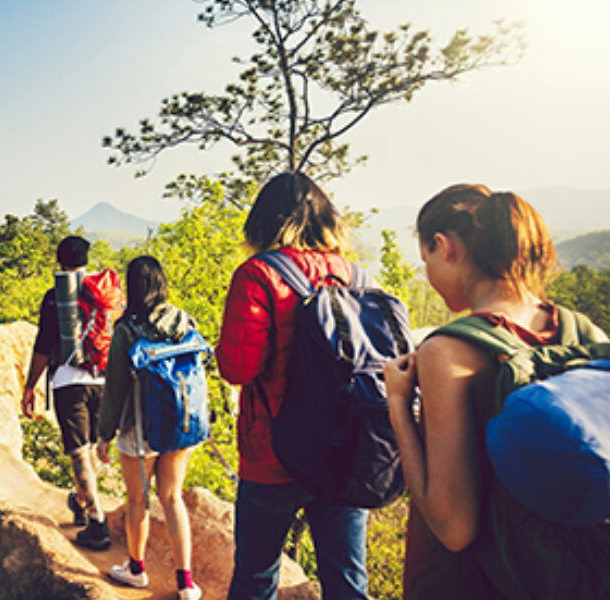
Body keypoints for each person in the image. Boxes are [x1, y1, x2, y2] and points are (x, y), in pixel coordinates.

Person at [383, 184, 609, 598]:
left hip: (476, 584)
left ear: (444, 246)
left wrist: (398, 403)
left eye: (426, 259)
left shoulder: (449, 351)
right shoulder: (584, 331)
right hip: (574, 577)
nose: (429, 275)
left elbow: (453, 528)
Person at [217, 172, 370, 600]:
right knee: (348, 583)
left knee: (256, 577)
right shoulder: (360, 278)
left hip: (273, 453)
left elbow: (238, 368)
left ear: (263, 221)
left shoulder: (258, 275)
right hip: (346, 452)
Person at [95, 255, 203, 600]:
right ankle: (186, 583)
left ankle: (136, 570)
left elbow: (115, 388)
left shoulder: (128, 329)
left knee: (137, 499)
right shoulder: (185, 321)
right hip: (181, 423)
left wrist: (104, 435)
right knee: (172, 498)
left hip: (140, 427)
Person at [22, 235, 110, 550]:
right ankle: (82, 501)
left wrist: (30, 386)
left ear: (59, 262)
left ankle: (97, 521)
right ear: (87, 259)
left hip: (69, 382)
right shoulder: (105, 293)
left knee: (79, 450)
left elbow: (44, 346)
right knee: (90, 445)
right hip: (103, 379)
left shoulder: (55, 297)